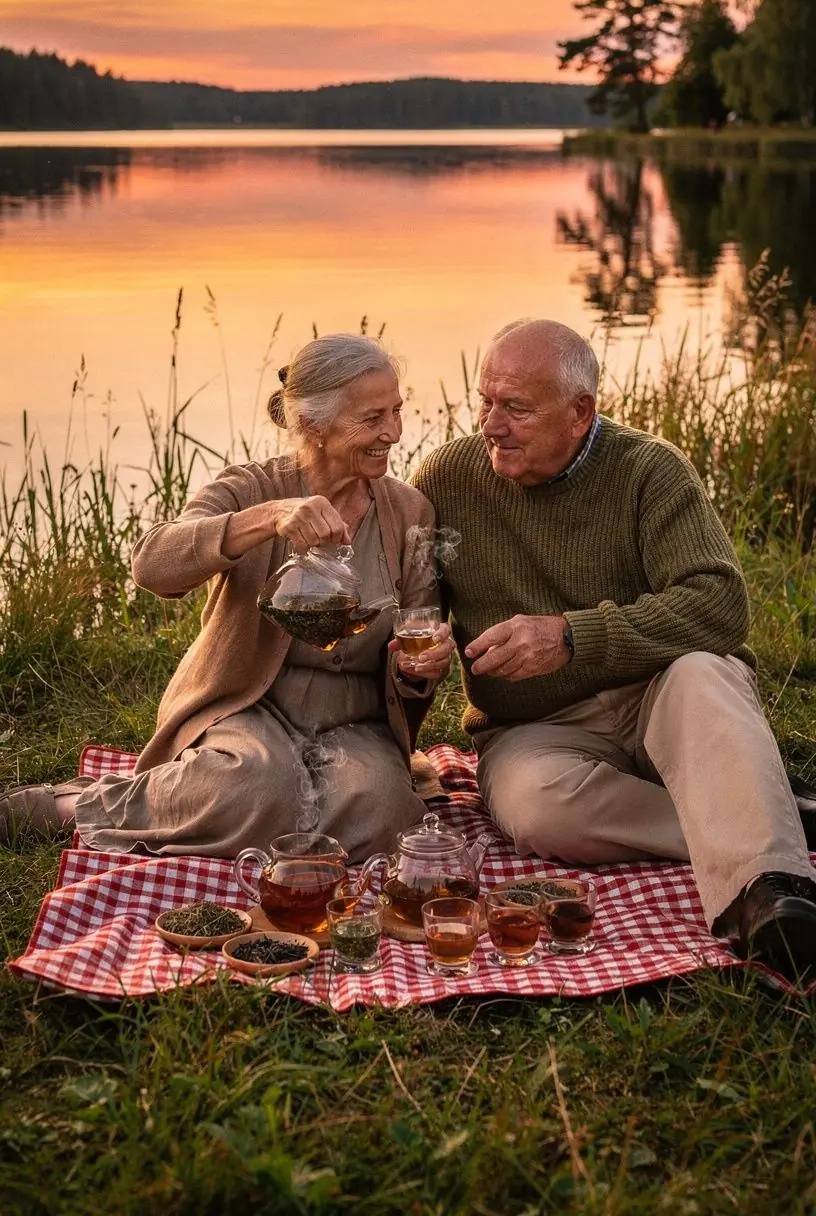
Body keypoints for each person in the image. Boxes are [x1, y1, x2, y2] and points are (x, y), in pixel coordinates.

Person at [413, 318, 816, 982]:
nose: (490, 424)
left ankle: (771, 899)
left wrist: (573, 636)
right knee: (538, 810)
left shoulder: (649, 470)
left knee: (705, 672)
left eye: (515, 408)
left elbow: (721, 604)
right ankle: (770, 823)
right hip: (533, 728)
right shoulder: (449, 480)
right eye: (485, 401)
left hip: (658, 695)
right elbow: (417, 614)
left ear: (581, 413)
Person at [1, 335, 454, 861]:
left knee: (385, 813)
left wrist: (423, 666)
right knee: (254, 785)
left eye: (397, 412)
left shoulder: (409, 512)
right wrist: (266, 519)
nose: (393, 433)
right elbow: (152, 564)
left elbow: (418, 635)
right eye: (373, 418)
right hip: (248, 707)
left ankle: (256, 817)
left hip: (356, 721)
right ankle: (79, 806)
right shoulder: (251, 487)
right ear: (312, 424)